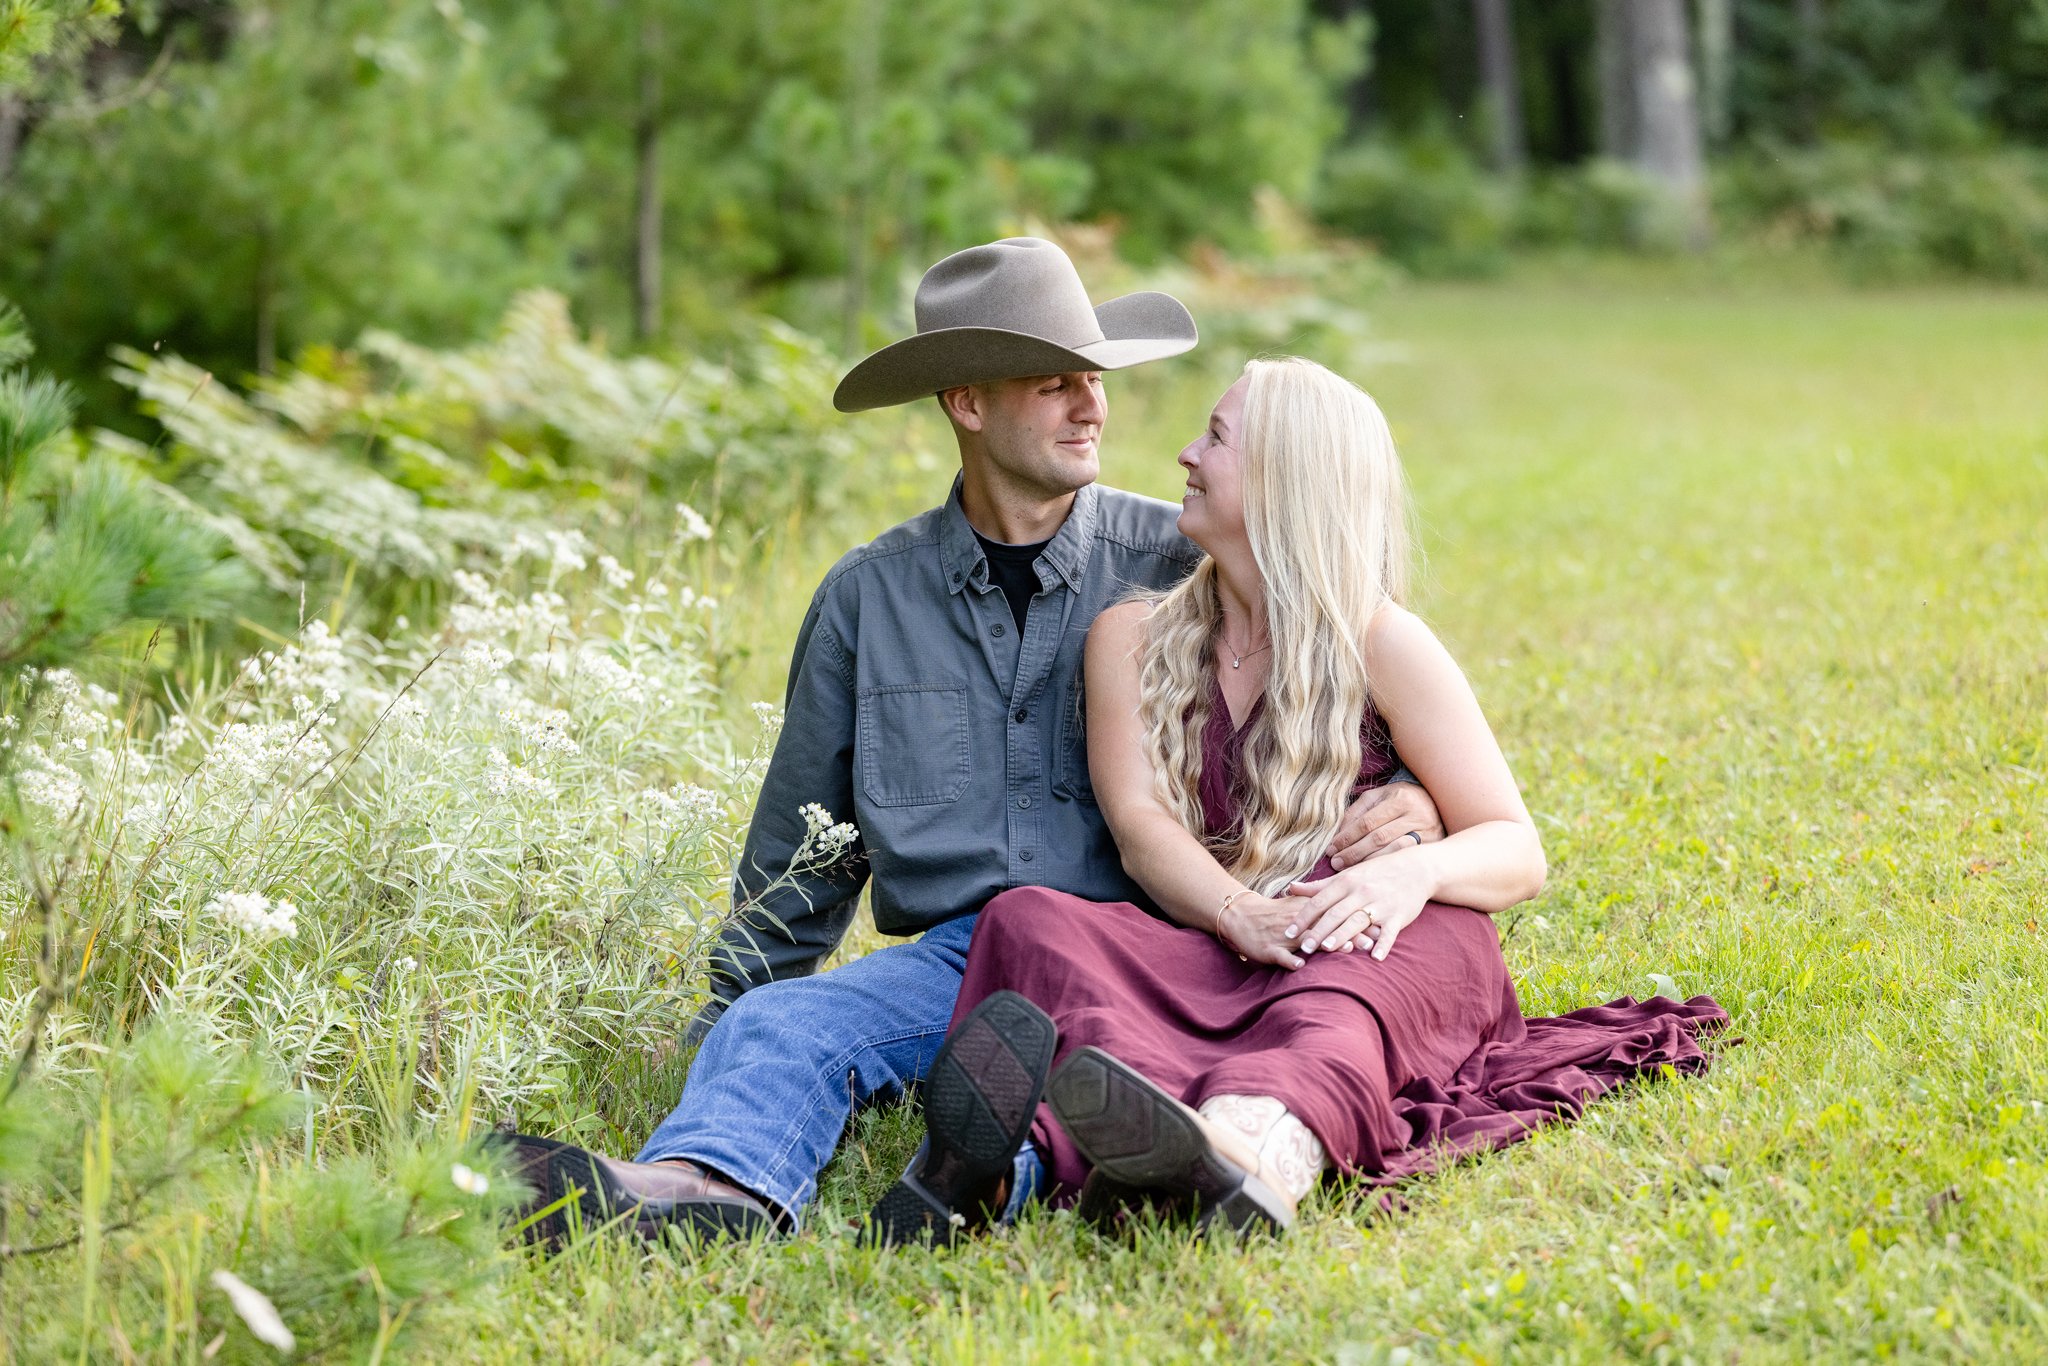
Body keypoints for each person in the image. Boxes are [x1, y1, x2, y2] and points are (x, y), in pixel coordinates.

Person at [500, 241, 1445, 1244]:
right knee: (780, 1024)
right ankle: (707, 1192)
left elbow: (1354, 670)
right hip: (961, 965)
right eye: (1054, 385)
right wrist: (729, 1020)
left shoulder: (1179, 556)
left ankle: (1006, 1159)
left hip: (1148, 944)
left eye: (1094, 380)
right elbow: (800, 852)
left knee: (1094, 1073)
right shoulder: (867, 599)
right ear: (964, 403)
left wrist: (1420, 805)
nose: (1093, 408)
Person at [870, 357, 1728, 1243]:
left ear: (1284, 477)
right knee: (1032, 921)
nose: (1183, 455)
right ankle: (1011, 1167)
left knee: (1336, 996)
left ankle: (1250, 1157)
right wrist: (1238, 914)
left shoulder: (1381, 640)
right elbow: (1139, 825)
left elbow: (1516, 846)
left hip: (1374, 937)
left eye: (1214, 438)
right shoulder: (1129, 636)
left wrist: (1413, 874)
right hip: (1222, 934)